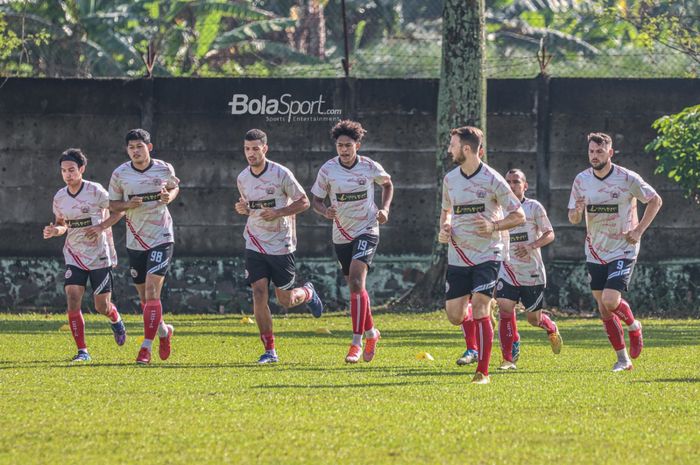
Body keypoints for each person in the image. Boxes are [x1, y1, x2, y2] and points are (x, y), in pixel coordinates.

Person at [568, 132, 662, 372]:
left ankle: (633, 325)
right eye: (591, 151)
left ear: (610, 153)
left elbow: (655, 201)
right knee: (603, 308)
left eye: (600, 151)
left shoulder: (627, 178)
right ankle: (623, 360)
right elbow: (573, 217)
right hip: (595, 249)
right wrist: (577, 211)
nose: (595, 156)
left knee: (611, 300)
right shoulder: (581, 180)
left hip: (624, 247)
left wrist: (639, 230)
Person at [438, 126, 525, 384]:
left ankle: (482, 372)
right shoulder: (450, 180)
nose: (449, 150)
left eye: (452, 145)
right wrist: (445, 227)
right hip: (458, 254)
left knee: (479, 306)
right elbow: (446, 212)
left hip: (489, 253)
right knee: (455, 315)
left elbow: (518, 215)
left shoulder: (493, 180)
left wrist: (494, 226)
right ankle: (485, 316)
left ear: (466, 149)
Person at [235, 129, 324, 364]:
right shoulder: (242, 178)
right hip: (254, 241)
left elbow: (303, 201)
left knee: (284, 300)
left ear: (265, 149)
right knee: (258, 292)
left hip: (281, 244)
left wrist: (278, 212)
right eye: (247, 149)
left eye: (255, 148)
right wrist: (243, 209)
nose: (251, 153)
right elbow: (248, 206)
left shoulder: (281, 173)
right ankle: (270, 350)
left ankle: (307, 293)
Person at [311, 120, 393, 363]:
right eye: (340, 146)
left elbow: (387, 184)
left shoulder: (369, 166)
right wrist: (324, 211)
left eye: (348, 145)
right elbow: (315, 199)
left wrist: (385, 208)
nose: (344, 150)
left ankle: (356, 343)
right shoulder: (328, 169)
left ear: (357, 145)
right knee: (356, 287)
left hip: (367, 228)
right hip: (341, 233)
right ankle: (371, 333)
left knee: (357, 280)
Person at [43, 148, 126, 362]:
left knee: (101, 306)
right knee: (72, 298)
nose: (67, 174)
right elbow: (63, 225)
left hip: (99, 255)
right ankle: (83, 351)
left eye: (71, 170)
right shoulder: (60, 197)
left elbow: (119, 210)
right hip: (74, 254)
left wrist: (101, 227)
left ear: (81, 169)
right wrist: (55, 231)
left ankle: (115, 318)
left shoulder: (95, 191)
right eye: (63, 171)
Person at [108, 129, 180, 365]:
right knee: (144, 298)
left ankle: (145, 348)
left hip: (161, 236)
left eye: (140, 146)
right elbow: (112, 204)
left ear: (149, 147)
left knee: (151, 292)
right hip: (135, 241)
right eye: (131, 147)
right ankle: (163, 332)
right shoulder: (120, 174)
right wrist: (128, 204)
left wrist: (170, 196)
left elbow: (174, 187)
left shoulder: (164, 168)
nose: (135, 151)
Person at [495, 168, 561, 371]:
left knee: (533, 319)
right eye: (508, 181)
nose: (511, 185)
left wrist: (531, 246)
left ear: (525, 185)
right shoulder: (498, 208)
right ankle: (508, 359)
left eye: (516, 181)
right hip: (507, 269)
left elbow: (550, 234)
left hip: (532, 271)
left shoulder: (533, 207)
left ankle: (549, 326)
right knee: (505, 308)